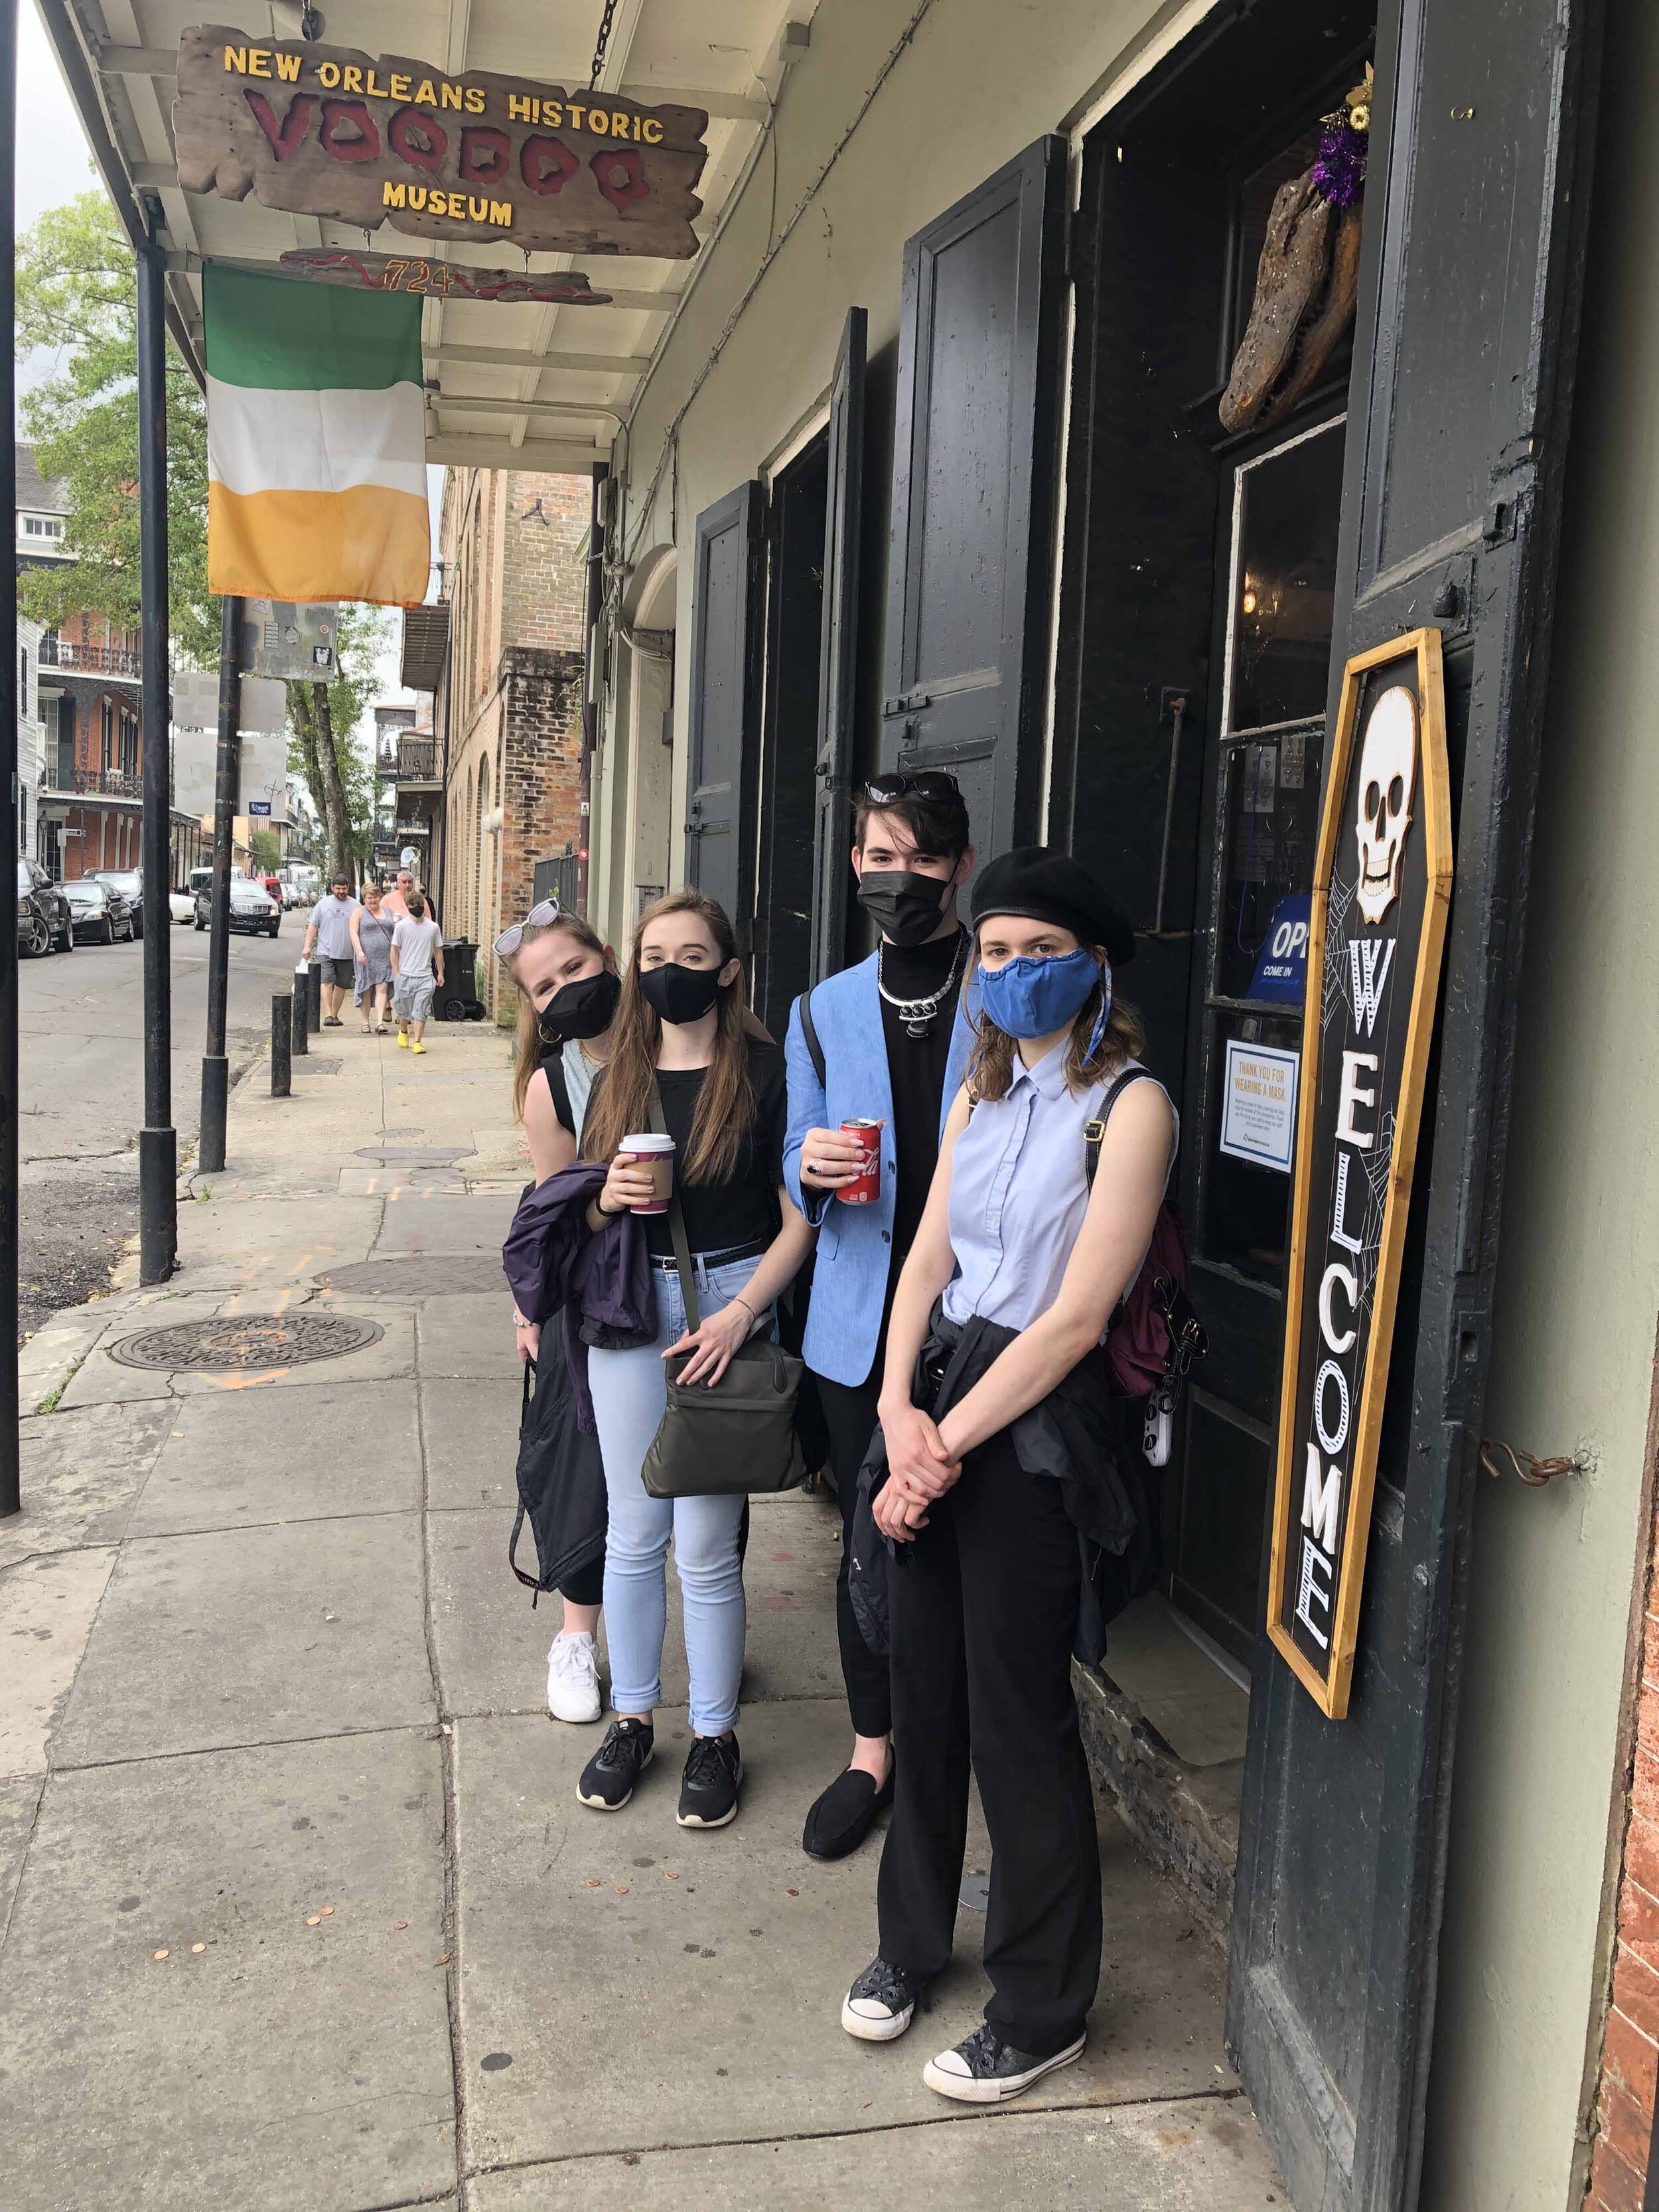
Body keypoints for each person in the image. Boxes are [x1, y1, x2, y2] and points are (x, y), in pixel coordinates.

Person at [839, 847, 1175, 2105]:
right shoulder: (976, 1096)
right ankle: (911, 1942)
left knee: (1017, 1717)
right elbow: (923, 1259)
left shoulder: (1129, 1105)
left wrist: (943, 1444)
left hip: (1033, 1425)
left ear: (1091, 966)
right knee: (921, 1690)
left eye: (1041, 953)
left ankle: (1041, 2005)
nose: (1014, 973)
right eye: (995, 952)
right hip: (933, 1394)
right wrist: (893, 1409)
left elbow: (1077, 1317)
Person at [577, 890, 812, 1830]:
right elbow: (579, 1212)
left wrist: (743, 1317)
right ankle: (635, 1717)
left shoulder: (765, 1071)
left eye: (692, 950)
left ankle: (715, 1734)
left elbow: (804, 1218)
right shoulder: (618, 1074)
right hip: (634, 1304)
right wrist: (606, 1198)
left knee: (706, 1546)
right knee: (633, 1531)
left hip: (730, 1301)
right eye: (654, 951)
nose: (671, 966)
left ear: (727, 968)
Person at [782, 773, 977, 1862]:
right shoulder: (823, 1008)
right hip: (856, 1327)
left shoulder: (1005, 989)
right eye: (878, 853)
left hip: (976, 1324)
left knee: (968, 1543)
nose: (896, 874)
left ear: (955, 863)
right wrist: (804, 1164)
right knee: (868, 1549)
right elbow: (795, 1149)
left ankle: (955, 1745)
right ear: (855, 863)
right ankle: (873, 1750)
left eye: (918, 854)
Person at [500, 897, 622, 1725]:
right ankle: (576, 1636)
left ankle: (713, 1623)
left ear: (608, 956)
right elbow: (553, 1214)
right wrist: (531, 1313)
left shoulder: (688, 1043)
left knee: (710, 1471)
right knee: (587, 1472)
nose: (565, 990)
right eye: (545, 987)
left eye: (575, 968)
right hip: (595, 1296)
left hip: (698, 1290)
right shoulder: (553, 1086)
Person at [302, 871, 362, 1027]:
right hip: (325, 951)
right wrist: (307, 946)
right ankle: (328, 1014)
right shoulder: (323, 904)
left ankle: (335, 1015)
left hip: (347, 952)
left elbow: (362, 928)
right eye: (338, 889)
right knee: (327, 981)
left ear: (348, 888)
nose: (341, 892)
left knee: (342, 985)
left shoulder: (356, 905)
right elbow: (313, 925)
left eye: (344, 889)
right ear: (332, 888)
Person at [390, 891, 445, 1053]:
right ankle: (404, 1031)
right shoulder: (401, 927)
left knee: (421, 1009)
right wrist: (396, 971)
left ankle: (418, 1042)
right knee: (404, 1009)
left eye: (420, 907)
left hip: (425, 976)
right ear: (408, 907)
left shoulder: (433, 928)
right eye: (414, 907)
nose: (418, 910)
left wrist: (440, 972)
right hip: (405, 975)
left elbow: (438, 951)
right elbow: (394, 949)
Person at [352, 881, 396, 1036]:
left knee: (382, 988)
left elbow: (396, 932)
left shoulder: (389, 912)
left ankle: (380, 1022)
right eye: (370, 898)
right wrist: (359, 951)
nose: (373, 900)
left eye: (375, 897)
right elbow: (353, 933)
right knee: (366, 989)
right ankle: (365, 1022)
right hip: (366, 957)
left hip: (386, 957)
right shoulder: (359, 912)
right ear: (364, 898)